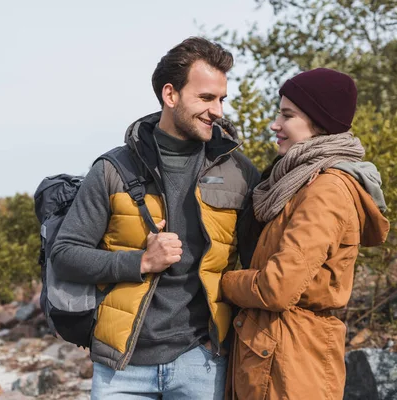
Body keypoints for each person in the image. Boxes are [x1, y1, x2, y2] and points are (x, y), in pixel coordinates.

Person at [50, 37, 259, 399]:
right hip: (122, 367)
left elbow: (259, 262)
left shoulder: (240, 173)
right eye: (207, 98)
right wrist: (141, 261)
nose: (219, 111)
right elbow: (65, 254)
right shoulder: (112, 169)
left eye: (222, 99)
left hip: (203, 360)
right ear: (170, 95)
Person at [221, 68, 390, 400]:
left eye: (288, 115)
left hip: (291, 365)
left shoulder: (325, 189)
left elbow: (277, 289)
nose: (275, 124)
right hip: (273, 356)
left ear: (319, 122)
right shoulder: (298, 180)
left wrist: (222, 282)